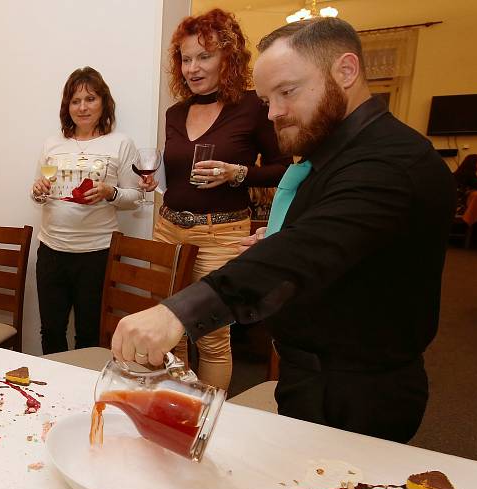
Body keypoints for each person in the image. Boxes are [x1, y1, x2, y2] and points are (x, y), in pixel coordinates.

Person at [111, 17, 456, 444]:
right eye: (267, 98)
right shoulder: (332, 154)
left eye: (286, 93)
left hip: (354, 392)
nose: (272, 113)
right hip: (310, 377)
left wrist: (178, 311)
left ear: (345, 72)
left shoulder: (390, 163)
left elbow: (305, 251)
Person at [152, 8, 290, 389]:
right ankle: (178, 410)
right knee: (171, 331)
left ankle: (211, 424)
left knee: (212, 336)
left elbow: (284, 167)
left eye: (204, 56)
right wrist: (154, 182)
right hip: (168, 231)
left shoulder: (252, 107)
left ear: (228, 58)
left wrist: (239, 173)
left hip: (221, 235)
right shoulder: (175, 113)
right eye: (185, 58)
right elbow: (175, 174)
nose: (192, 68)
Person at [30, 67, 142, 355]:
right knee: (51, 330)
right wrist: (38, 191)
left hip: (97, 253)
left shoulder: (121, 143)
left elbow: (136, 196)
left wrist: (110, 192)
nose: (83, 107)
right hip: (52, 251)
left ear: (104, 102)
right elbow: (41, 192)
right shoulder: (53, 144)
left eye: (90, 99)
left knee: (89, 333)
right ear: (67, 106)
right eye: (75, 100)